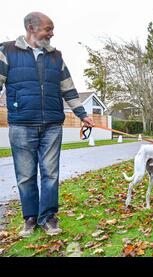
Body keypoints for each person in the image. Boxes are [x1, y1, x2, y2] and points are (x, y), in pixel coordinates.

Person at [0, 12, 94, 237]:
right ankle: (30, 219)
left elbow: (68, 88)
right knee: (25, 175)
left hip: (52, 124)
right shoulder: (7, 51)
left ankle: (48, 217)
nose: (52, 33)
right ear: (32, 28)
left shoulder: (56, 57)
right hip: (21, 123)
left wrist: (82, 114)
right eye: (48, 29)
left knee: (50, 173)